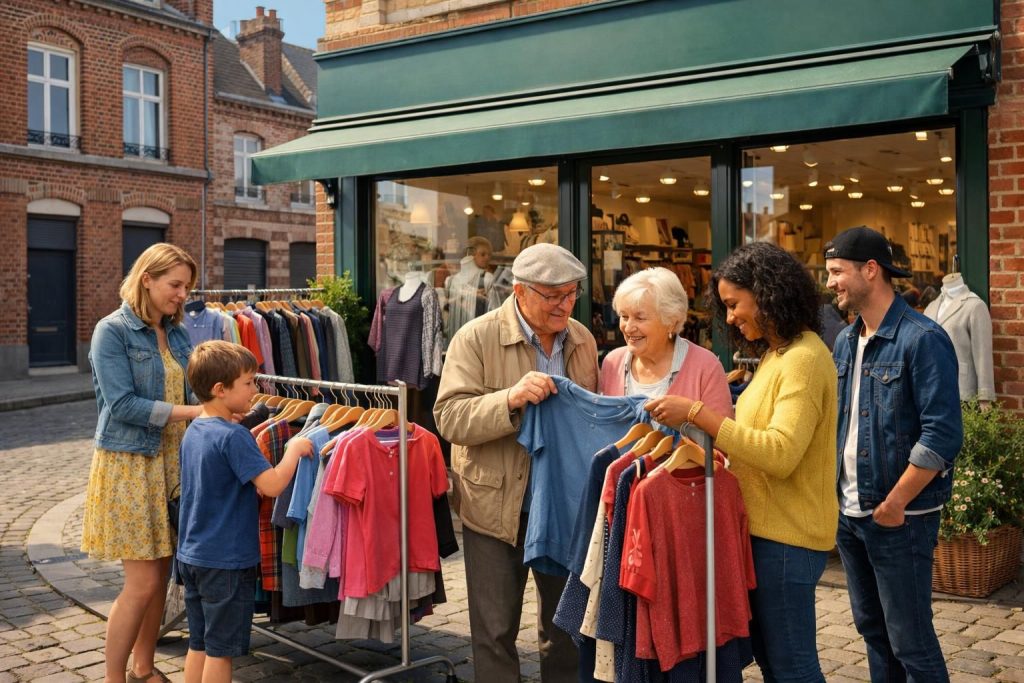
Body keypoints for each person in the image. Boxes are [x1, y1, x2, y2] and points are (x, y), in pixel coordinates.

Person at [645, 241, 838, 682]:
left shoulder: (804, 359)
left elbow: (780, 453)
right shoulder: (778, 354)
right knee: (774, 660)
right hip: (769, 533)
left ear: (766, 293)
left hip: (787, 539)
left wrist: (697, 414)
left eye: (734, 304)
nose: (729, 317)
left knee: (792, 665)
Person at [433, 242, 598, 683]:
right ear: (521, 292)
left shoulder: (582, 339)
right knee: (494, 630)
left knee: (565, 628)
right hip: (494, 507)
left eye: (571, 293)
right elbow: (449, 417)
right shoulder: (476, 337)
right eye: (553, 295)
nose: (565, 305)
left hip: (563, 508)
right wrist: (509, 399)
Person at [825, 226, 962, 682]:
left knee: (910, 640)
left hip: (901, 517)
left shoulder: (923, 338)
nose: (830, 283)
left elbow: (941, 434)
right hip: (851, 514)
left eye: (837, 272)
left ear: (870, 270)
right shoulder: (845, 342)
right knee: (873, 632)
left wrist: (896, 502)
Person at [81, 243, 202, 683]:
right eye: (175, 285)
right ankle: (115, 678)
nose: (182, 295)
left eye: (186, 286)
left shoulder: (178, 332)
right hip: (132, 465)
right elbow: (121, 405)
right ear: (146, 279)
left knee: (163, 578)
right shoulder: (111, 331)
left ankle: (144, 669)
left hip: (173, 463)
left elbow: (192, 391)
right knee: (143, 584)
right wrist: (195, 413)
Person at [176, 340, 312, 683]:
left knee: (200, 642)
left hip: (193, 555)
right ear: (221, 390)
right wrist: (293, 450)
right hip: (227, 560)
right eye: (249, 382)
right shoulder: (236, 437)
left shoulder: (195, 430)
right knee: (222, 652)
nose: (256, 389)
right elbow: (271, 485)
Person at [599, 267, 732, 421]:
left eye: (640, 318)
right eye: (624, 316)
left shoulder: (705, 367)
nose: (628, 328)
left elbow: (721, 440)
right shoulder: (612, 363)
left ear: (670, 320)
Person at [445, 236, 502, 342]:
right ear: (471, 254)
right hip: (454, 337)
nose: (487, 258)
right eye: (483, 254)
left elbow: (495, 313)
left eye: (489, 255)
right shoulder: (450, 281)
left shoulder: (486, 279)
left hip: (478, 339)